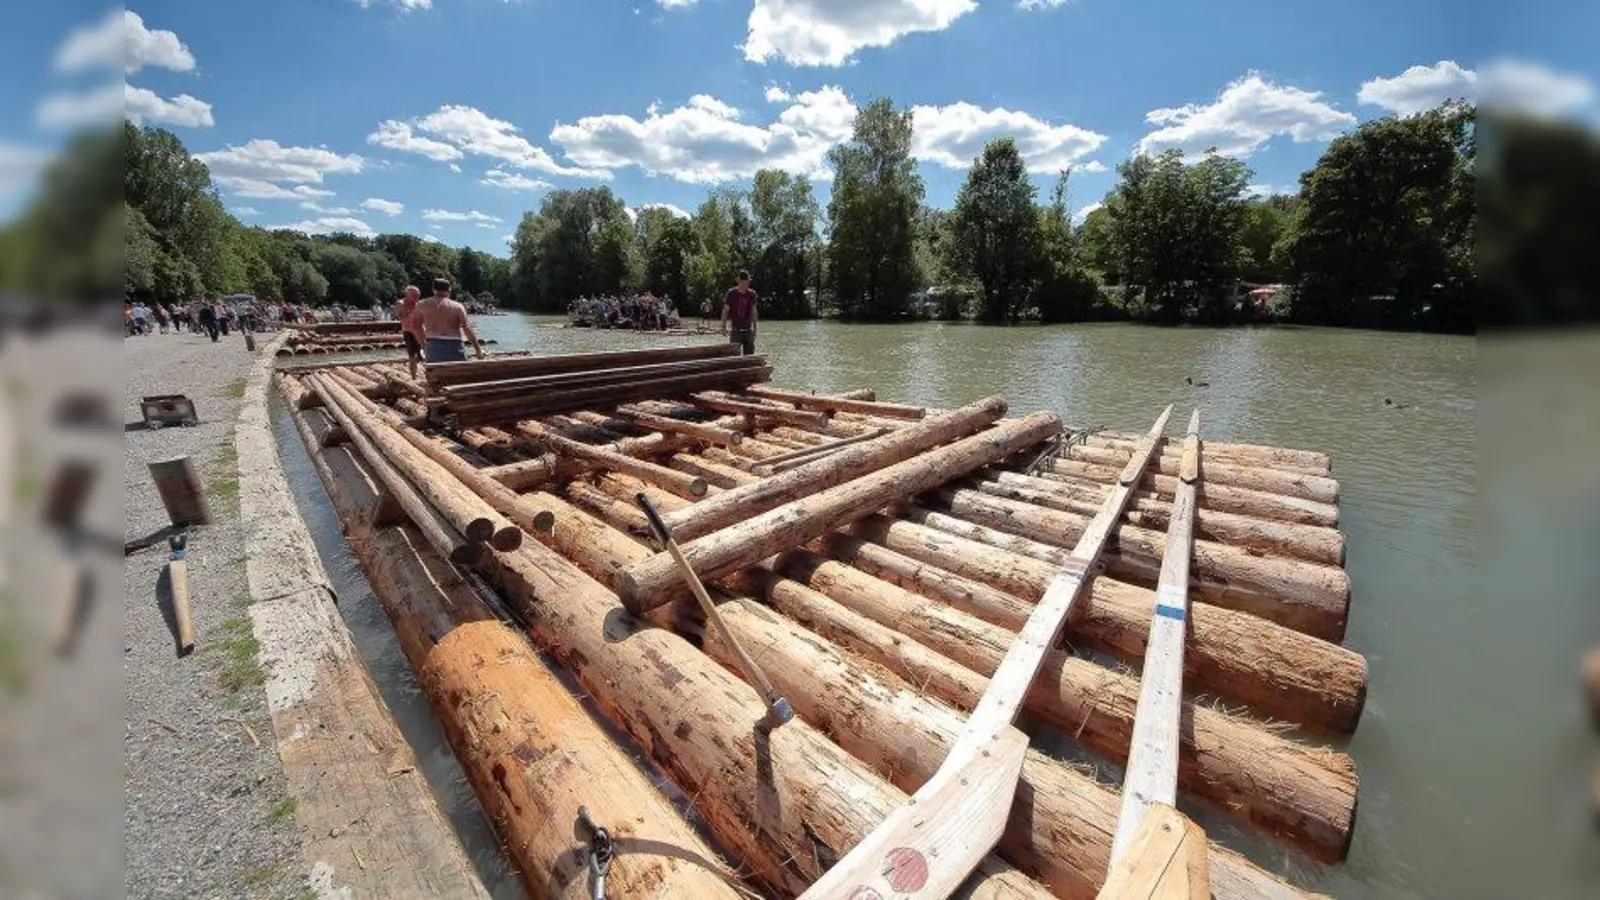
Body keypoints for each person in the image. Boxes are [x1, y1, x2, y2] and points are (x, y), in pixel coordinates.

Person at [416, 278, 484, 363]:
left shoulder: (421, 305)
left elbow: (416, 326)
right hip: (454, 345)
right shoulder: (457, 306)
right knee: (459, 370)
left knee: (436, 370)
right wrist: (478, 349)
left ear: (433, 289)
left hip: (433, 344)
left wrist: (423, 344)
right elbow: (466, 328)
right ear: (449, 290)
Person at [721, 270, 758, 355]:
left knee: (749, 356)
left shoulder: (752, 294)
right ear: (739, 281)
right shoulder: (731, 293)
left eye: (747, 283)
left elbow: (754, 311)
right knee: (733, 356)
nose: (746, 285)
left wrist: (755, 329)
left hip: (748, 330)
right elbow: (725, 310)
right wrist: (723, 326)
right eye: (744, 283)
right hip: (736, 331)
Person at [395, 286, 425, 378]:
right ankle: (413, 377)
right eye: (415, 295)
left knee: (424, 355)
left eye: (418, 295)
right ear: (408, 295)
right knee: (412, 356)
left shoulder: (419, 304)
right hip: (409, 331)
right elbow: (405, 321)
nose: (417, 297)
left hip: (420, 330)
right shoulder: (401, 304)